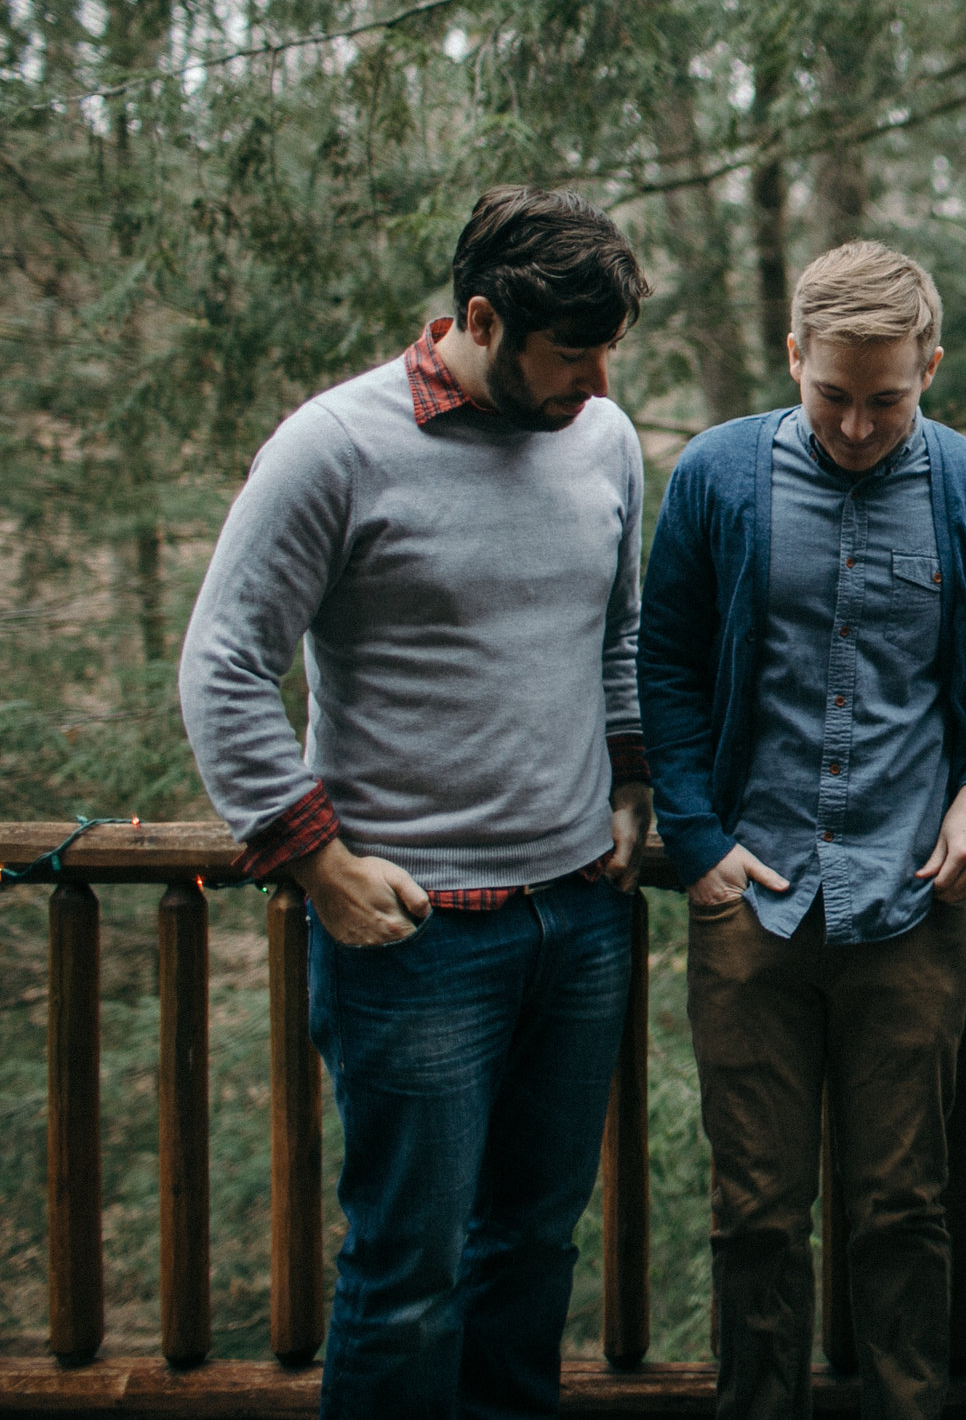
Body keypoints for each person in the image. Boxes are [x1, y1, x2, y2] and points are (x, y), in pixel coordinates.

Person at [178, 186, 654, 1419]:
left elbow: (618, 631)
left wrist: (630, 779)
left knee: (531, 1254)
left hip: (581, 921)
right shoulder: (335, 445)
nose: (599, 377)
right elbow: (224, 660)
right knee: (407, 1278)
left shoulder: (601, 439)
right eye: (572, 351)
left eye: (611, 347)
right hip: (417, 936)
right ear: (481, 319)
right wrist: (315, 860)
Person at [637, 241, 966, 1420]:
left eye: (889, 399)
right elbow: (666, 664)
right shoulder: (715, 478)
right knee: (755, 1207)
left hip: (910, 898)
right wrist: (696, 837)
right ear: (794, 356)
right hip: (750, 897)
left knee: (903, 1203)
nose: (858, 425)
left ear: (931, 366)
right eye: (834, 396)